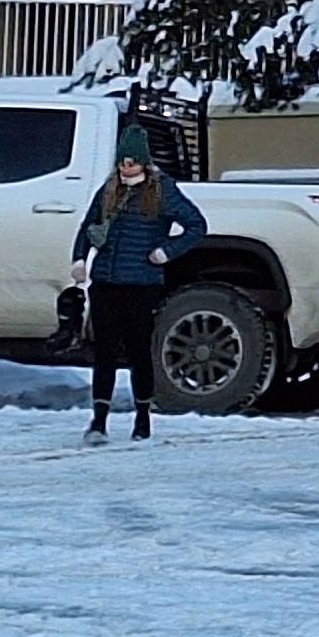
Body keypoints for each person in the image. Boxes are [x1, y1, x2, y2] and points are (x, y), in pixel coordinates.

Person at [70, 124, 210, 443]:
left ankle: (143, 417)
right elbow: (88, 226)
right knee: (103, 352)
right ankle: (99, 420)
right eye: (123, 160)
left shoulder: (162, 191)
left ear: (144, 162)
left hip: (142, 284)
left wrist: (166, 252)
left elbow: (196, 225)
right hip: (105, 281)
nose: (126, 166)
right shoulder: (108, 190)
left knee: (138, 351)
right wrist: (80, 259)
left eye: (132, 160)